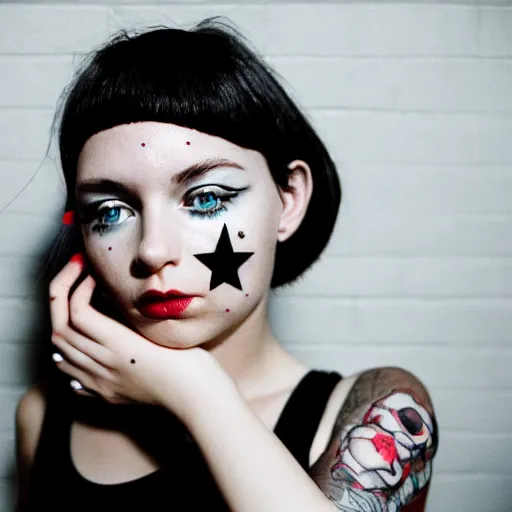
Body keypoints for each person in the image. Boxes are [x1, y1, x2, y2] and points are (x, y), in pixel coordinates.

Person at [14, 18, 438, 512]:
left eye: (207, 198)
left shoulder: (380, 414)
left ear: (290, 200)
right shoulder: (42, 417)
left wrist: (197, 393)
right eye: (111, 212)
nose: (152, 251)